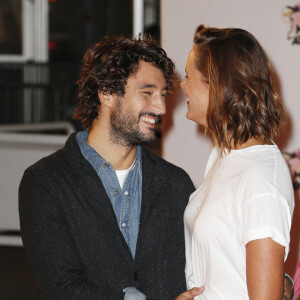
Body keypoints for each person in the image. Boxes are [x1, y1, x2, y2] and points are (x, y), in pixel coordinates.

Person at [18, 35, 201, 300]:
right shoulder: (45, 182)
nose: (161, 107)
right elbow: (61, 286)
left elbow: (206, 260)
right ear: (106, 93)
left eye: (162, 95)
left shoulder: (176, 183)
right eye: (147, 92)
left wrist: (281, 280)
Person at [180, 25, 295, 299]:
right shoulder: (223, 154)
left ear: (218, 85)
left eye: (188, 76)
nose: (181, 84)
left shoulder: (261, 178)